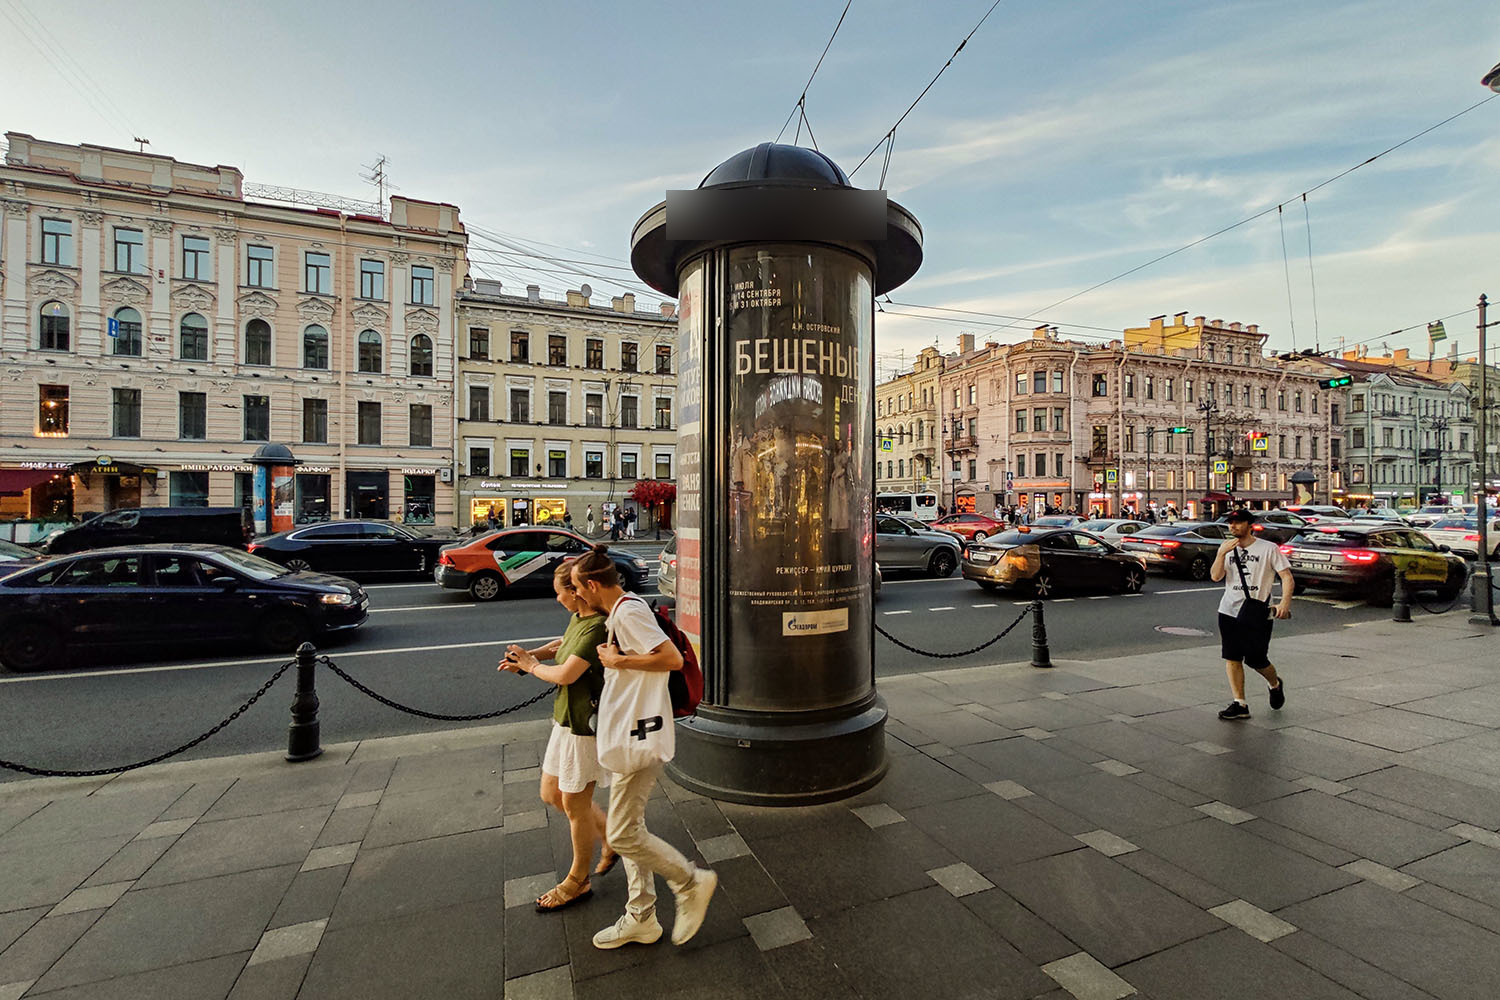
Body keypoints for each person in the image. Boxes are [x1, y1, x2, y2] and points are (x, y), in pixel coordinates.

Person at [571, 546, 717, 949]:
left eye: (578, 589)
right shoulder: (621, 612)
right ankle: (641, 915)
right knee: (630, 827)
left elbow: (669, 658)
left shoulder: (629, 612)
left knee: (620, 834)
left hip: (638, 733)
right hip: (630, 731)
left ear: (593, 584)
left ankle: (690, 881)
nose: (577, 597)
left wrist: (619, 664)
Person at [499, 563, 617, 911]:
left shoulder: (597, 626)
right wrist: (530, 657)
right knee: (551, 793)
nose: (556, 597)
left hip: (584, 726)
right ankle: (610, 835)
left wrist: (531, 666)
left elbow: (567, 674)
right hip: (565, 721)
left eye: (560, 591)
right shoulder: (580, 619)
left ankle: (578, 881)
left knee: (574, 804)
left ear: (577, 591)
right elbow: (562, 644)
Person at [1209, 509, 1293, 720]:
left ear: (1249, 524)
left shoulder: (1268, 548)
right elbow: (1216, 577)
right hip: (1228, 610)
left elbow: (1286, 577)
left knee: (1256, 659)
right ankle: (1240, 703)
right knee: (1232, 656)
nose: (1233, 526)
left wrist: (1284, 603)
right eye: (1231, 523)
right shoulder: (1226, 548)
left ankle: (1275, 683)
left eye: (1238, 522)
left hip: (1257, 611)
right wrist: (1221, 554)